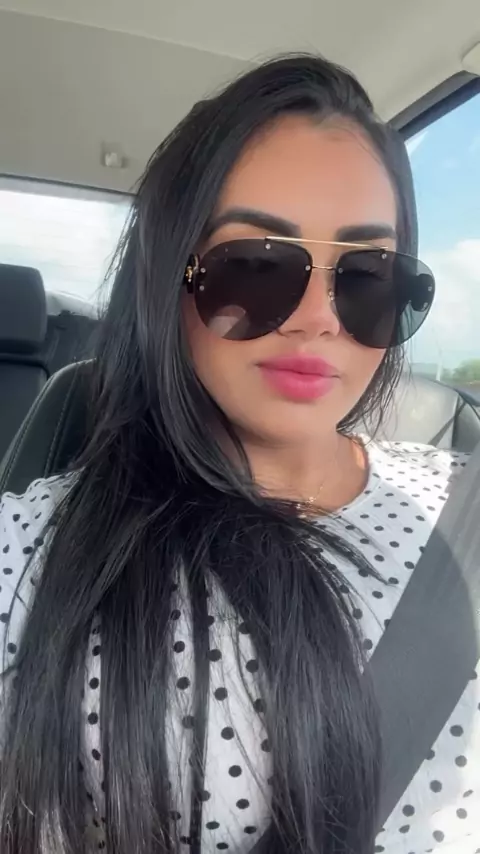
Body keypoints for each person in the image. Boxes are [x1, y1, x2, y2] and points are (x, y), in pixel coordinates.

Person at [0, 54, 477, 854]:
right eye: (255, 266)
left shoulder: (464, 507)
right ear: (167, 278)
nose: (320, 318)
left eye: (367, 274)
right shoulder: (36, 555)